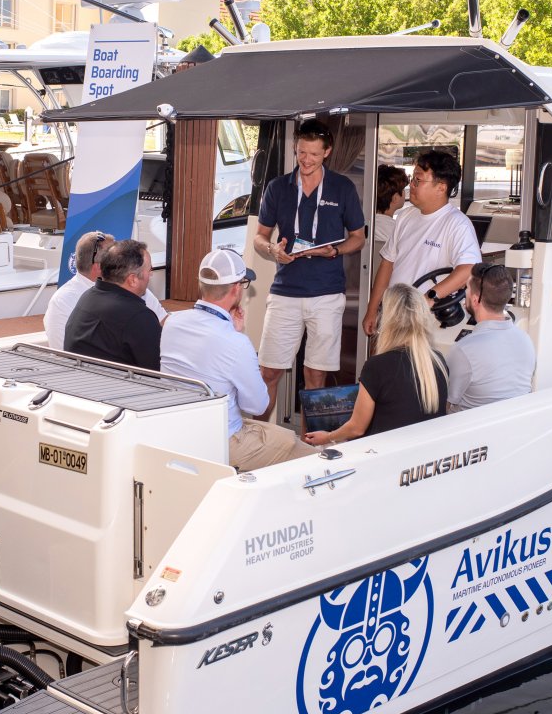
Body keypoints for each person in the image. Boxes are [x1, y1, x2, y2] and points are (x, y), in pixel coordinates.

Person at [161, 248, 316, 470]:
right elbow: (257, 405)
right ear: (236, 288)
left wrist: (231, 331)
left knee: (280, 435)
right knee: (313, 457)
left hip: (178, 433)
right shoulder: (236, 343)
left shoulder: (172, 323)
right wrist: (236, 334)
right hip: (223, 443)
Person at [253, 120, 367, 412]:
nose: (306, 159)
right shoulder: (278, 187)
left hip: (327, 294)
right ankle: (263, 445)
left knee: (316, 377)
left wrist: (335, 250)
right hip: (285, 293)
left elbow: (358, 238)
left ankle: (311, 449)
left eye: (314, 154)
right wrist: (272, 251)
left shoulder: (342, 187)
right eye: (302, 152)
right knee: (268, 372)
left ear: (327, 152)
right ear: (295, 147)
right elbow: (260, 236)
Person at [303, 284, 448, 446]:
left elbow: (357, 428)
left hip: (383, 455)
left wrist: (328, 437)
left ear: (388, 319)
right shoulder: (438, 361)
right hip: (423, 455)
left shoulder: (378, 366)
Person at [364, 150, 481, 337]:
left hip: (425, 321)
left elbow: (468, 269)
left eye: (418, 180)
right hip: (393, 314)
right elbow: (387, 264)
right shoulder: (405, 216)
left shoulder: (457, 224)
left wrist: (427, 299)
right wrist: (372, 310)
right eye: (413, 179)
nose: (411, 185)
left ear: (441, 187)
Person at [44, 230, 166, 348]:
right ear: (99, 267)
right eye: (113, 258)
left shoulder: (132, 285)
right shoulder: (63, 301)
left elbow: (163, 320)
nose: (122, 260)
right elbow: (64, 354)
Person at [446, 263, 536, 411]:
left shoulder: (463, 350)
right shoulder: (526, 340)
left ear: (475, 300)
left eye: (466, 289)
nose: (464, 294)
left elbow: (448, 402)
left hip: (471, 430)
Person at [63, 239, 160, 370]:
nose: (150, 275)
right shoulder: (138, 317)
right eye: (149, 270)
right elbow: (157, 373)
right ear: (132, 280)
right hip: (117, 387)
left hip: (79, 383)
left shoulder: (87, 297)